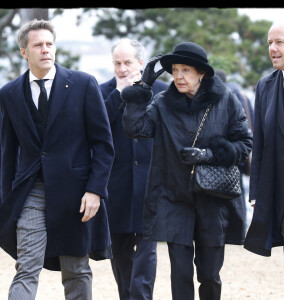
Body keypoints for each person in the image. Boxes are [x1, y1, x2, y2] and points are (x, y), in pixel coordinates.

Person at [121, 41, 253, 300]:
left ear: (201, 73)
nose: (179, 76)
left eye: (186, 70)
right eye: (175, 70)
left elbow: (244, 143)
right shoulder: (162, 102)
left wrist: (209, 155)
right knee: (180, 273)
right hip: (174, 198)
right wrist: (143, 87)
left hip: (213, 201)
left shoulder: (226, 99)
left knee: (209, 275)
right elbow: (135, 128)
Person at [0, 19, 114, 300]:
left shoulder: (84, 84)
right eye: (38, 45)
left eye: (49, 44)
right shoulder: (10, 93)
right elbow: (7, 152)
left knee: (76, 269)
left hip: (76, 193)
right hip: (31, 192)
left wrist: (95, 190)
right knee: (26, 267)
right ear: (24, 52)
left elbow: (103, 144)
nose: (45, 50)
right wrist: (6, 199)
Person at [100, 38, 168, 300]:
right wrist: (118, 94)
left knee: (147, 251)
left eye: (127, 62)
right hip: (116, 185)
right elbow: (98, 129)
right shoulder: (103, 92)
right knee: (119, 252)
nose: (122, 68)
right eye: (117, 63)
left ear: (141, 62)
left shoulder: (162, 91)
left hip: (152, 183)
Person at [244, 20, 284, 300]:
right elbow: (261, 144)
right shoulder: (265, 86)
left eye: (280, 42)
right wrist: (255, 191)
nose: (273, 49)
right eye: (269, 43)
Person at [215, 69, 254, 203]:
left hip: (227, 152)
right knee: (239, 190)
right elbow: (253, 122)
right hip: (243, 149)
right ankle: (241, 221)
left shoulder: (221, 96)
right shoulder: (243, 95)